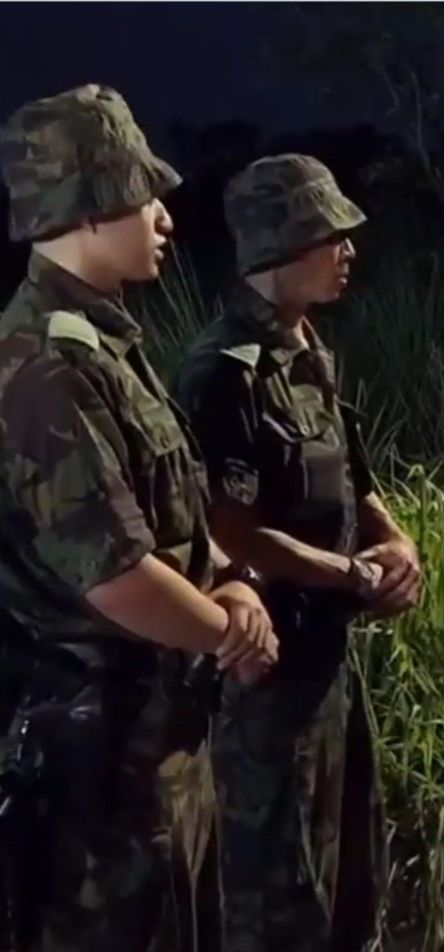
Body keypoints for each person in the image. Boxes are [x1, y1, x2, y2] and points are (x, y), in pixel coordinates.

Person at [0, 84, 278, 952]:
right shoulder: (44, 365)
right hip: (96, 766)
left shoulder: (105, 347)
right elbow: (114, 573)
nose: (163, 212)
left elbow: (175, 517)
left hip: (155, 741)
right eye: (141, 194)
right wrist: (234, 635)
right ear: (89, 204)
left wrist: (234, 585)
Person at [173, 154, 419, 952]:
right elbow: (226, 530)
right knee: (274, 894)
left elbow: (354, 480)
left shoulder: (307, 351)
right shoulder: (222, 372)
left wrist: (394, 544)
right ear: (282, 244)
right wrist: (346, 574)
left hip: (327, 663)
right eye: (330, 234)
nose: (348, 250)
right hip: (264, 675)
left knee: (348, 877)